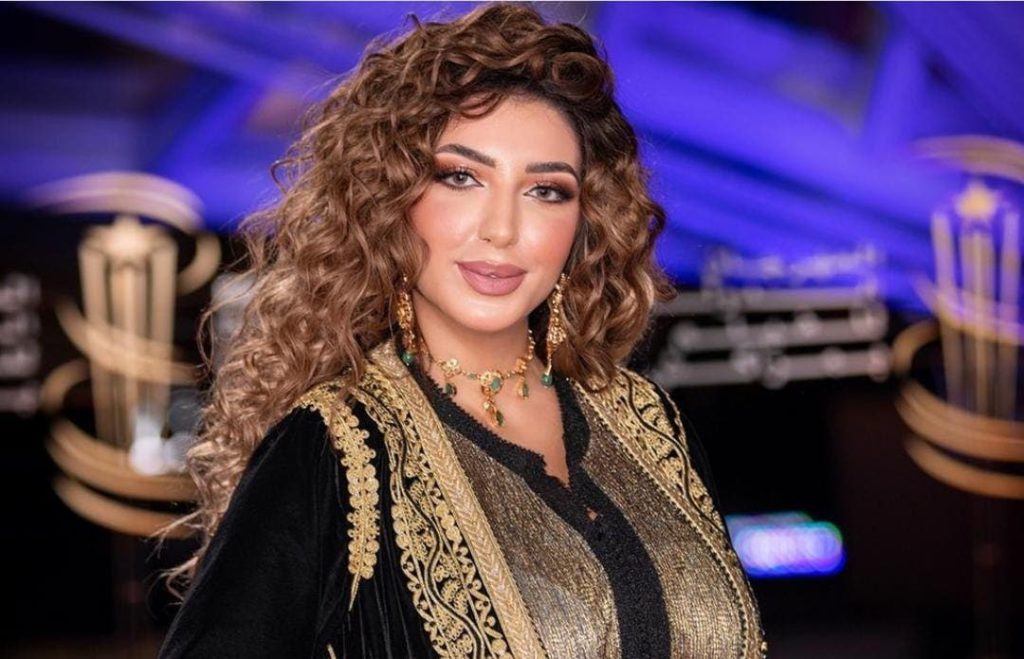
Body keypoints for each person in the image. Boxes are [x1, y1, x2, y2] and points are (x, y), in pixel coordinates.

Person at [157, 3, 766, 658]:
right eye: (461, 177)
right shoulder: (335, 448)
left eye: (546, 190)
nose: (502, 229)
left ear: (585, 220)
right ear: (390, 199)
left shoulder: (649, 423)